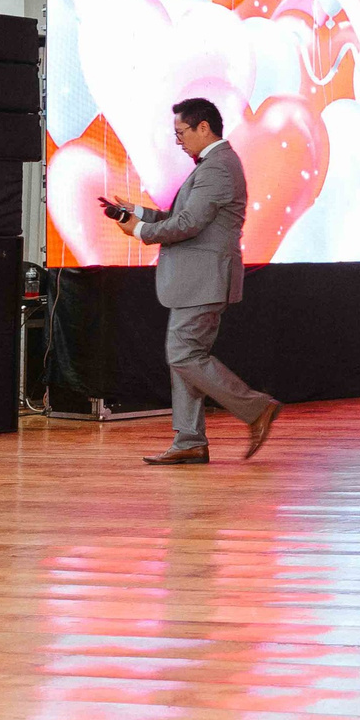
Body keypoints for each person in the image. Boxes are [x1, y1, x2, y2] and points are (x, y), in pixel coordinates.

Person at [110, 98, 284, 466]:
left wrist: (140, 230)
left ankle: (256, 408)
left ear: (203, 128)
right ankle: (189, 439)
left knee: (184, 354)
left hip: (203, 280)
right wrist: (137, 213)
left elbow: (189, 224)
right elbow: (181, 216)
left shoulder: (218, 167)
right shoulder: (214, 166)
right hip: (197, 280)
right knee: (184, 358)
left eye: (181, 133)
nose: (179, 142)